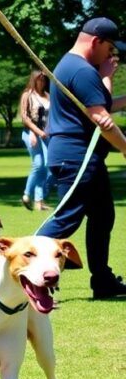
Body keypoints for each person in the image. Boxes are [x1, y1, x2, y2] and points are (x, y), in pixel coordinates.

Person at [38, 17, 126, 299]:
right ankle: (27, 271)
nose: (111, 55)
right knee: (66, 219)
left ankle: (102, 280)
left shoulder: (76, 67)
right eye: (110, 48)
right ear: (96, 41)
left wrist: (107, 76)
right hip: (76, 157)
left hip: (81, 156)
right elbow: (103, 120)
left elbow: (101, 105)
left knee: (102, 217)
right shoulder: (81, 70)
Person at [20, 70, 53, 211]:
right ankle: (27, 195)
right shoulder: (27, 95)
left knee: (48, 167)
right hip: (31, 134)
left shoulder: (48, 96)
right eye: (39, 79)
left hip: (46, 135)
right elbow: (25, 117)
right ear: (34, 80)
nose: (42, 82)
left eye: (44, 79)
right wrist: (36, 132)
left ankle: (39, 201)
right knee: (39, 164)